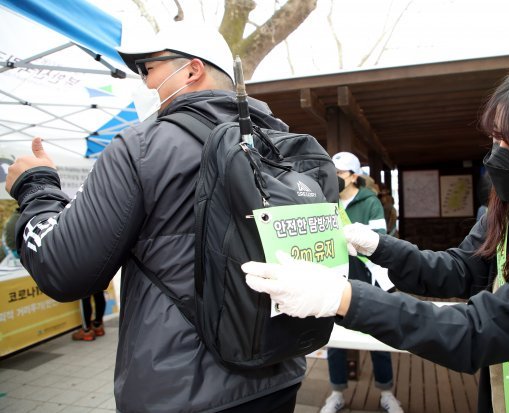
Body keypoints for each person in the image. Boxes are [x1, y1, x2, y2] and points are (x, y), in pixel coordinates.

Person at [242, 53, 509, 412]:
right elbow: (458, 270)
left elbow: (473, 333)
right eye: (494, 137)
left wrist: (342, 297)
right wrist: (381, 247)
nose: (495, 153)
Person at [6, 23, 304, 413]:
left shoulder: (144, 146)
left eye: (147, 70)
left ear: (192, 70)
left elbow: (64, 269)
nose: (143, 84)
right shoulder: (283, 145)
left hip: (181, 389)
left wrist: (36, 185)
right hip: (280, 370)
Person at [323, 152, 403, 413]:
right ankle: (336, 392)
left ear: (354, 176)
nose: (334, 178)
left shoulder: (371, 203)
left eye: (339, 173)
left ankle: (386, 391)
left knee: (377, 334)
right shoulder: (327, 201)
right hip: (336, 278)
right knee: (334, 337)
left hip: (368, 279)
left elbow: (379, 240)